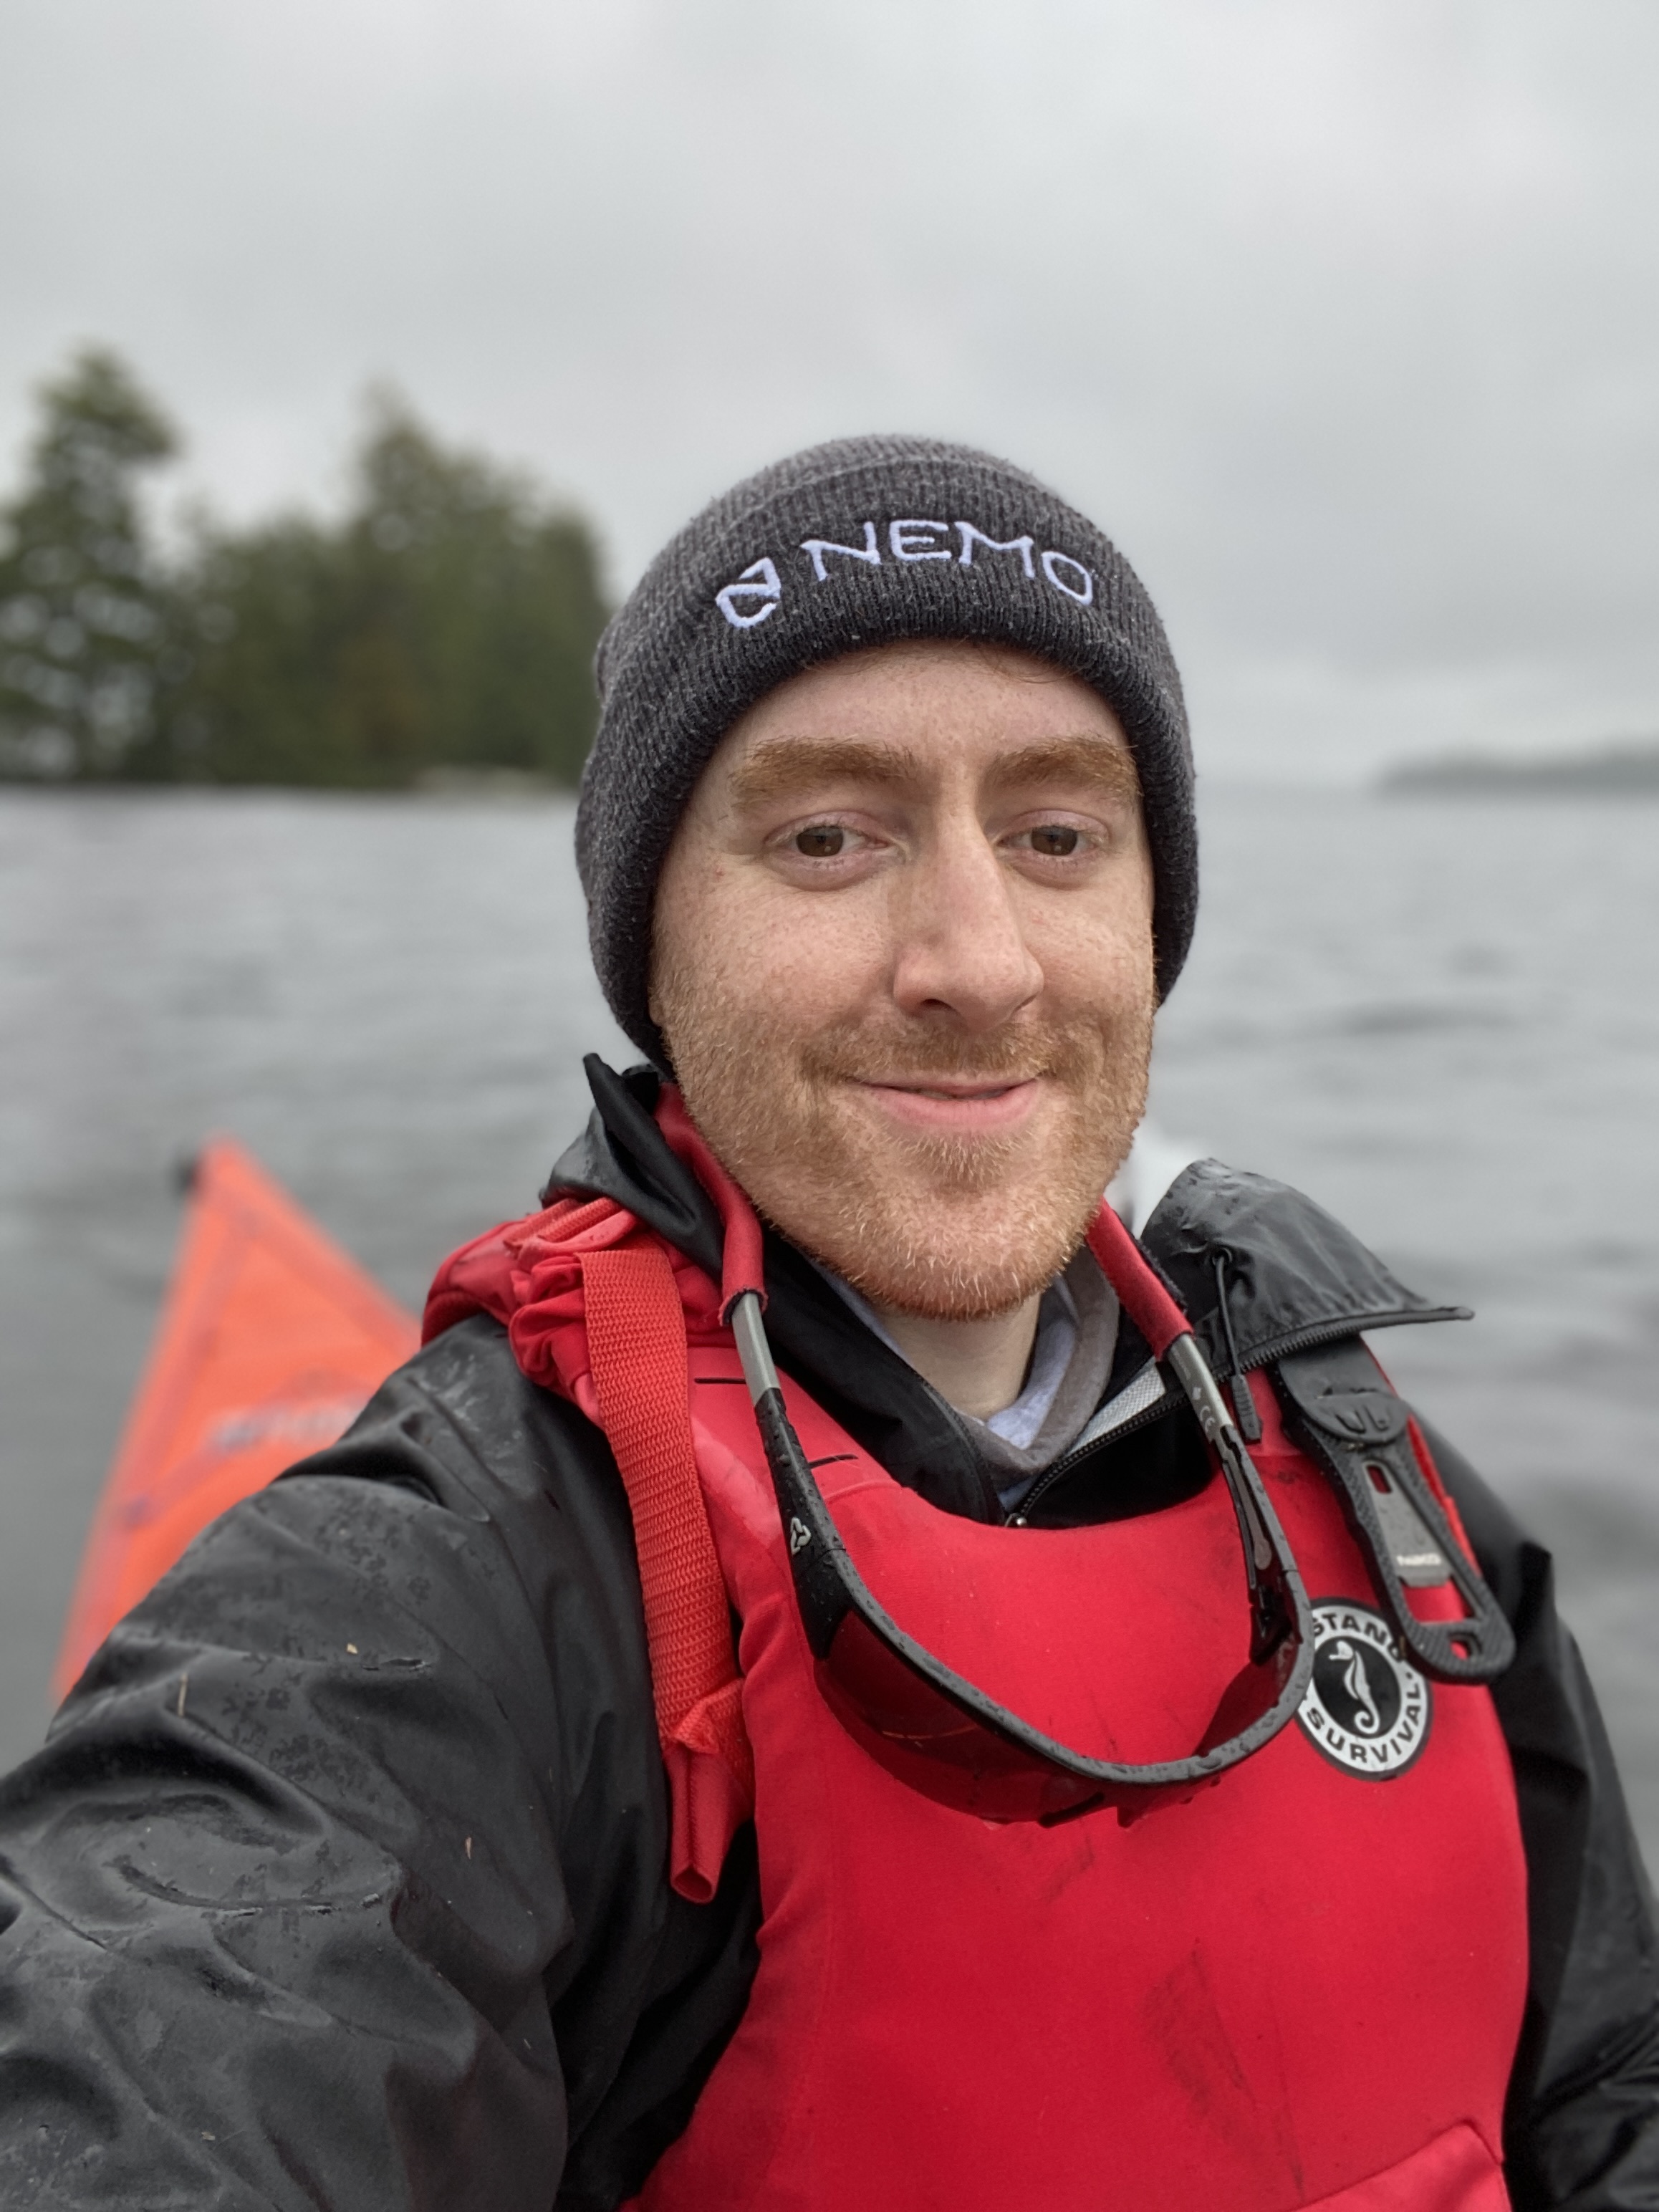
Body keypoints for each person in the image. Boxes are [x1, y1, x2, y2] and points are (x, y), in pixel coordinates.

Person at [1, 437, 1655, 2212]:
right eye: (827, 836)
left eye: (1058, 835)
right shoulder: (441, 1589)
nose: (980, 958)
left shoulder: (1381, 1479)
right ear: (656, 946)